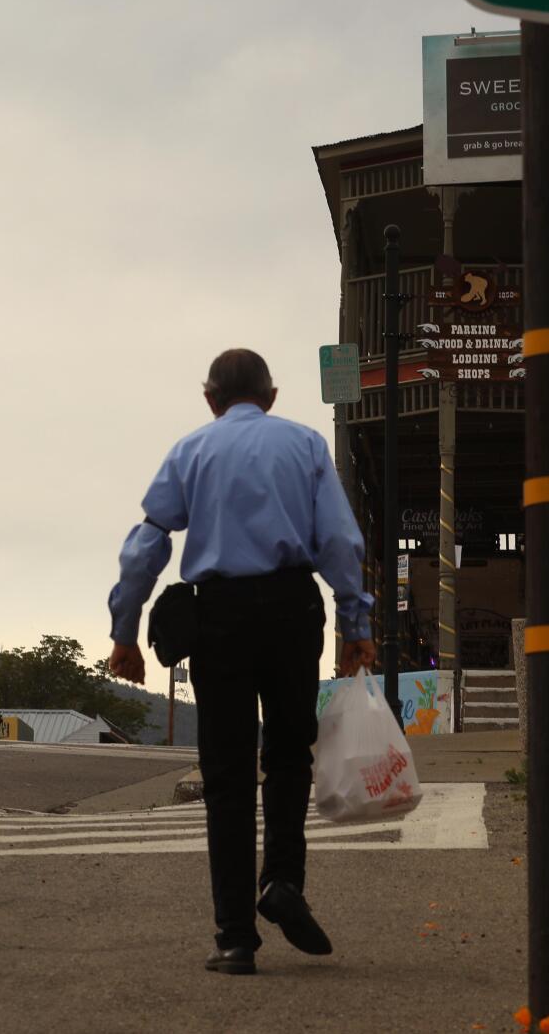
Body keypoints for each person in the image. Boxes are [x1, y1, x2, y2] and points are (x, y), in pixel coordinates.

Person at [106, 348, 376, 976]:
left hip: (218, 617)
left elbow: (148, 541)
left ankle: (235, 939)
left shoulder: (190, 451)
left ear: (210, 400)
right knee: (287, 756)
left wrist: (124, 629)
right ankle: (281, 880)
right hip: (291, 609)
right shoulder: (305, 445)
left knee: (226, 775)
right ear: (272, 396)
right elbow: (338, 539)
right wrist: (354, 621)